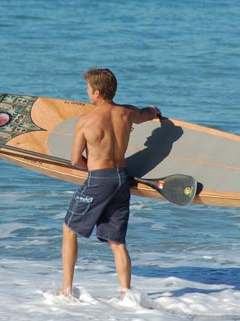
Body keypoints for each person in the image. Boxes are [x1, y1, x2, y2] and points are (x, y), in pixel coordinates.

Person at [62, 68, 161, 299]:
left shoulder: (86, 121)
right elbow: (146, 112)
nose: (87, 93)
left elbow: (76, 159)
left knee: (69, 229)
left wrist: (95, 171)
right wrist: (156, 111)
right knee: (116, 241)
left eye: (88, 89)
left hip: (100, 179)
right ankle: (127, 296)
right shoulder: (127, 113)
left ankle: (66, 291)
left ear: (96, 93)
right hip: (121, 178)